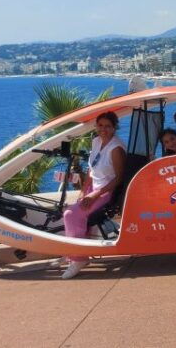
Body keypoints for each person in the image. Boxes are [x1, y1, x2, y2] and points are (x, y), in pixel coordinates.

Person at [59, 112, 126, 279]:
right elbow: (91, 170)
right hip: (93, 190)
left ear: (114, 128)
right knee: (70, 210)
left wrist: (96, 194)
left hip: (106, 192)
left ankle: (79, 259)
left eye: (108, 126)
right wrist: (84, 190)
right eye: (100, 125)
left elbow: (119, 178)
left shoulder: (116, 148)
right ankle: (73, 253)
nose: (103, 129)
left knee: (70, 215)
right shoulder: (96, 141)